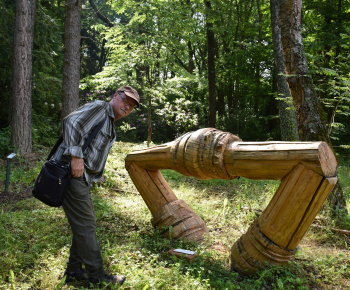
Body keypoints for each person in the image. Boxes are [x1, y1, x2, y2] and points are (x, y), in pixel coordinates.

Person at [52, 86, 140, 288]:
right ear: (115, 96)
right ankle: (97, 275)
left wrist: (92, 175)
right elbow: (71, 122)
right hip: (71, 174)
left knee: (83, 224)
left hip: (81, 178)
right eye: (125, 100)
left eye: (132, 105)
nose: (127, 106)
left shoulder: (109, 121)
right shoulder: (101, 108)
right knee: (86, 225)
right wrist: (75, 156)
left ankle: (74, 272)